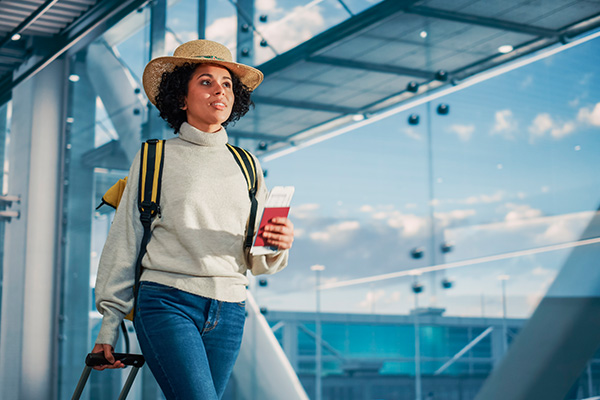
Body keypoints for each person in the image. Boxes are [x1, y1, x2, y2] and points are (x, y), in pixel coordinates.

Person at [91, 39, 294, 400]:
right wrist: (109, 325)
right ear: (181, 98)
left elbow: (258, 261)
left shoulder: (248, 166)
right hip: (167, 301)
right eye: (206, 81)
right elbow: (124, 239)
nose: (220, 89)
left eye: (228, 84)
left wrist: (277, 244)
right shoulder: (154, 158)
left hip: (231, 309)